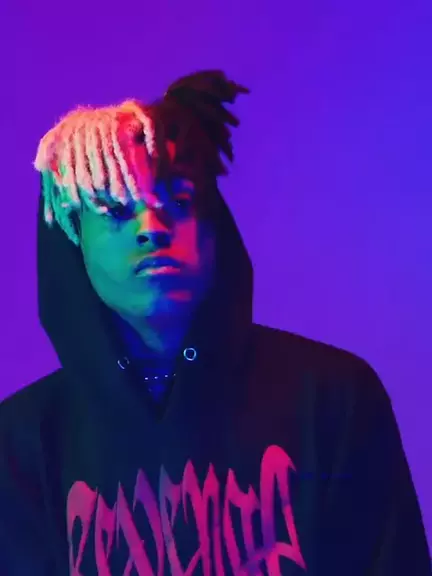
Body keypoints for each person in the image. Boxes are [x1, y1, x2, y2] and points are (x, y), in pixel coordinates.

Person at [0, 70, 430, 575]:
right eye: (116, 210)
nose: (152, 228)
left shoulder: (333, 398)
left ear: (213, 223)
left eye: (179, 201)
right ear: (75, 239)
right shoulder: (22, 440)